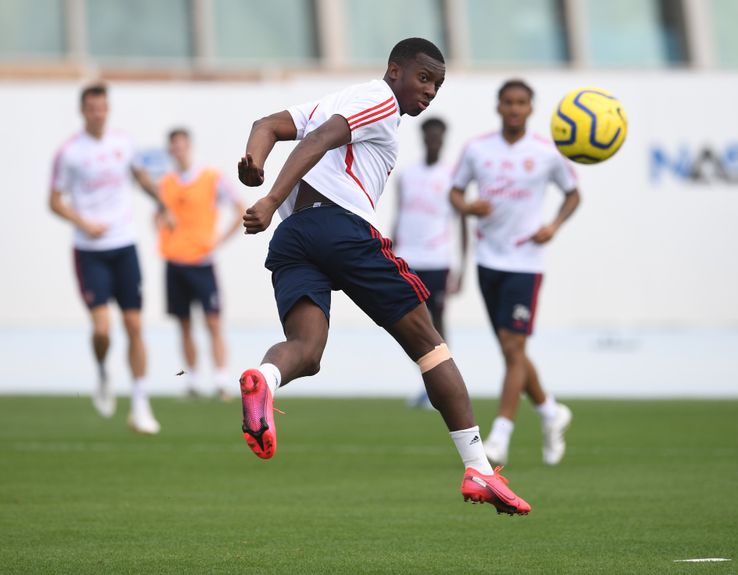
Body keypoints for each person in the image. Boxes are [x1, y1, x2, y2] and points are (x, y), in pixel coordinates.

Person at [236, 38, 530, 515]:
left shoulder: (335, 101)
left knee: (306, 353)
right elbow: (318, 141)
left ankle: (264, 379)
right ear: (395, 70)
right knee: (430, 346)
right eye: (423, 77)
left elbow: (265, 125)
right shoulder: (378, 98)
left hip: (294, 239)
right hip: (339, 227)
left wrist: (255, 161)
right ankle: (478, 467)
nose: (430, 90)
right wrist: (269, 198)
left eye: (437, 84)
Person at [450, 79, 580, 467]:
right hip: (488, 260)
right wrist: (468, 207)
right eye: (508, 102)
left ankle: (500, 437)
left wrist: (554, 225)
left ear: (531, 108)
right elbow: (455, 192)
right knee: (512, 349)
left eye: (521, 103)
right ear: (498, 106)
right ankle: (550, 412)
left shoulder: (546, 153)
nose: (514, 109)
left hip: (526, 262)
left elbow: (573, 193)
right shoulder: (477, 148)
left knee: (513, 349)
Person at [49, 83, 162, 434]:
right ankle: (102, 372)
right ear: (83, 111)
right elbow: (54, 200)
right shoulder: (69, 152)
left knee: (134, 326)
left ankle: (140, 404)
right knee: (102, 330)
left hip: (124, 246)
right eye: (92, 108)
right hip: (89, 251)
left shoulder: (123, 143)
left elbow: (140, 176)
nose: (98, 113)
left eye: (102, 107)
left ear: (107, 109)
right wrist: (83, 223)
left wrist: (163, 202)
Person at [156, 128, 246, 400]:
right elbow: (158, 216)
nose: (179, 151)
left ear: (189, 147)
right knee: (183, 324)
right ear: (170, 150)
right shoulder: (165, 183)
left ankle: (220, 380)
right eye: (174, 147)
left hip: (202, 262)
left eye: (182, 146)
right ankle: (192, 380)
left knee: (213, 322)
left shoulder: (211, 177)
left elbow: (240, 208)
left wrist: (218, 241)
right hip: (174, 261)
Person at [392, 118, 466, 409]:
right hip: (409, 259)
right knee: (410, 325)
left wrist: (461, 268)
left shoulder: (452, 176)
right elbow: (399, 217)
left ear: (443, 139)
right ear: (422, 138)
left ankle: (445, 387)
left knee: (437, 324)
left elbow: (462, 224)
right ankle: (429, 386)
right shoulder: (407, 175)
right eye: (429, 136)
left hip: (438, 260)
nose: (433, 141)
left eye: (438, 137)